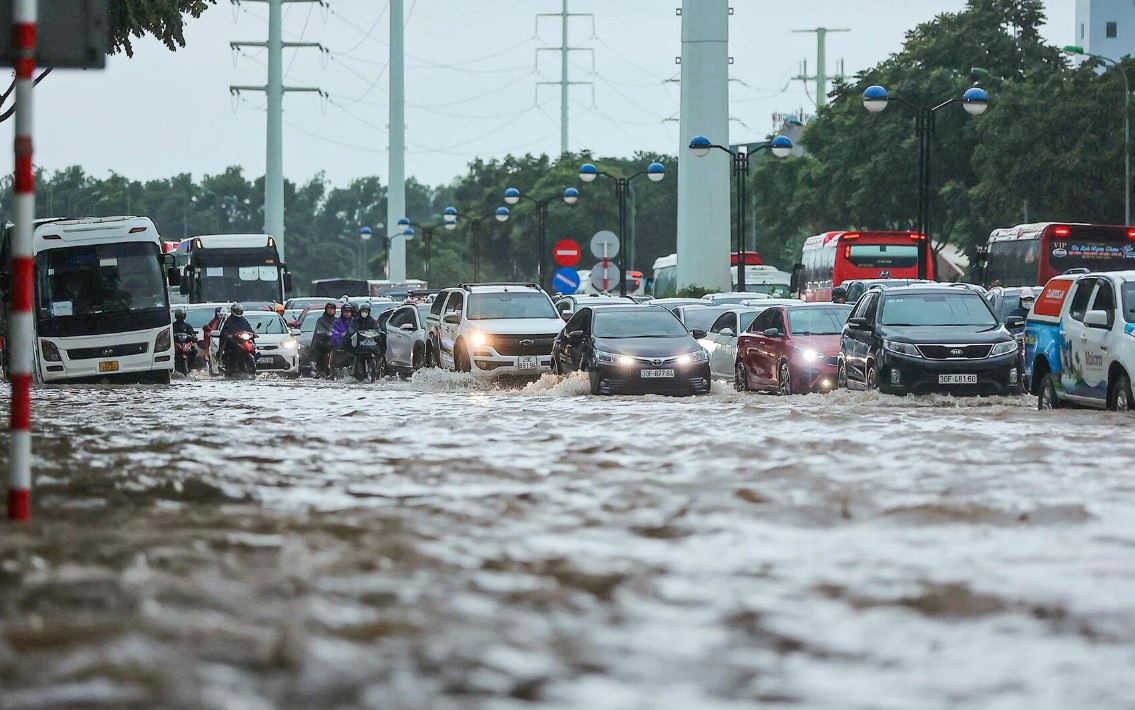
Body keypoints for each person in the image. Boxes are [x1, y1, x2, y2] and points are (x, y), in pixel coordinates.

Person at [219, 302, 255, 369]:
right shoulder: (229, 320)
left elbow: (249, 328)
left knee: (252, 345)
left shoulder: (243, 320)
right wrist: (228, 335)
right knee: (230, 347)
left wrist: (253, 334)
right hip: (233, 341)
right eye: (237, 311)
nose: (238, 313)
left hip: (243, 341)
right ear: (233, 311)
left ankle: (256, 359)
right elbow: (224, 331)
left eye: (239, 311)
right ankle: (227, 363)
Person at [310, 302, 339, 377]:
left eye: (332, 309)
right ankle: (320, 369)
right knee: (320, 351)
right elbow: (318, 331)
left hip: (334, 343)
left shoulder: (337, 320)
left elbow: (339, 330)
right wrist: (325, 334)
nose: (330, 310)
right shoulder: (321, 320)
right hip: (323, 343)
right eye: (329, 309)